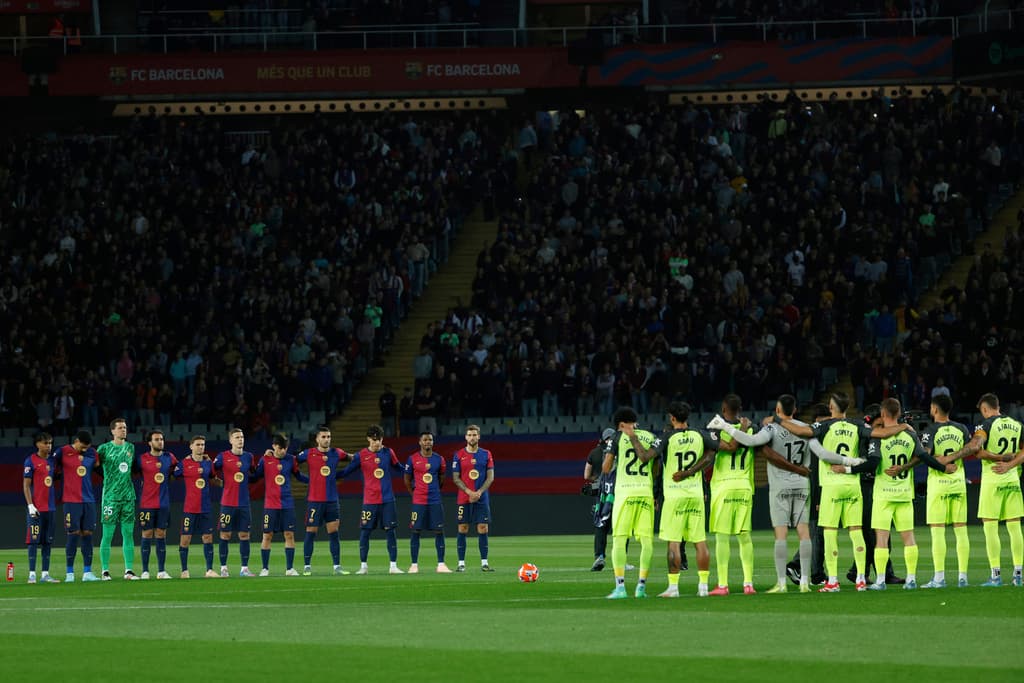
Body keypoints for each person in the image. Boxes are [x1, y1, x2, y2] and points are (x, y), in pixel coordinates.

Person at [711, 394, 861, 593]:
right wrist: (849, 461)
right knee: (804, 533)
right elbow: (823, 454)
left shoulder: (772, 428)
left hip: (780, 486)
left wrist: (726, 427)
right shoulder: (806, 429)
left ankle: (781, 583)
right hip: (801, 485)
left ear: (778, 411)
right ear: (795, 410)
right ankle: (805, 583)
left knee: (781, 535)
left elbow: (751, 440)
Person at [779, 392, 911, 592]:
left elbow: (801, 431)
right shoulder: (858, 425)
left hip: (832, 486)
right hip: (853, 486)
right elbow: (881, 434)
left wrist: (779, 420)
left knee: (830, 533)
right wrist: (903, 426)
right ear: (847, 408)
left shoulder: (824, 426)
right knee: (856, 532)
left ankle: (832, 581)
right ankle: (860, 579)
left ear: (831, 408)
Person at [938, 392, 1024, 587]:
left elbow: (976, 448)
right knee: (1014, 527)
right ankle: (1018, 575)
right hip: (1012, 480)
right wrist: (1009, 464)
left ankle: (996, 575)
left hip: (993, 481)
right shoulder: (1017, 424)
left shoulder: (985, 425)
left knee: (990, 527)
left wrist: (997, 458)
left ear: (985, 409)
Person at [866, 398, 951, 591]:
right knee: (909, 538)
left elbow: (873, 463)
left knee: (881, 538)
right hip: (904, 494)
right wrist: (943, 468)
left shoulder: (879, 437)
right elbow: (924, 457)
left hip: (883, 495)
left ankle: (880, 580)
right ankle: (911, 578)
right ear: (898, 414)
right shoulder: (910, 435)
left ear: (883, 414)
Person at [656, 402, 719, 597]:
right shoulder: (700, 434)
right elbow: (713, 452)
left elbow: (652, 457)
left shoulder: (667, 437)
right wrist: (692, 471)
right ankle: (703, 588)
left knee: (673, 542)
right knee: (700, 541)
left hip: (674, 495)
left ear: (672, 418)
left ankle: (673, 588)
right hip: (696, 494)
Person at [602, 407, 660, 599]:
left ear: (620, 425)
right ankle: (641, 588)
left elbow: (606, 467)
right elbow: (656, 468)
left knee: (619, 540)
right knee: (646, 541)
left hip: (625, 493)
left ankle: (620, 588)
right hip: (645, 492)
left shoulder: (617, 438)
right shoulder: (651, 436)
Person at [918, 395, 973, 588]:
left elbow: (925, 455)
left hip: (938, 485)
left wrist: (941, 461)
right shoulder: (962, 428)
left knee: (938, 532)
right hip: (958, 483)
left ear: (934, 409)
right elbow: (969, 449)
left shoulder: (930, 430)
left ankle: (939, 578)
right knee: (961, 530)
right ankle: (963, 577)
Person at [339, 424, 405, 574]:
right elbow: (346, 471)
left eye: (379, 439)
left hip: (388, 500)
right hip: (369, 501)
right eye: (374, 439)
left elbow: (400, 468)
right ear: (368, 439)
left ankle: (393, 566)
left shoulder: (389, 452)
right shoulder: (361, 455)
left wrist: (414, 472)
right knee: (365, 532)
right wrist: (330, 476)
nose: (377, 442)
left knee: (390, 532)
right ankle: (363, 566)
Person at [298, 425, 350, 575]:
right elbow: (292, 463)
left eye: (328, 437)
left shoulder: (337, 453)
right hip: (315, 500)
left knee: (334, 533)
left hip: (332, 500)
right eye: (323, 437)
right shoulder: (309, 454)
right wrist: (306, 479)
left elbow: (354, 459)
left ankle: (337, 567)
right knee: (311, 532)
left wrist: (341, 474)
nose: (326, 440)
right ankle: (307, 566)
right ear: (317, 439)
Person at [255, 433, 306, 576]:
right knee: (267, 535)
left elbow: (299, 476)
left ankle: (289, 569)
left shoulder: (291, 460)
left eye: (285, 448)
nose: (283, 451)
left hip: (287, 504)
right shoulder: (265, 460)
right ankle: (265, 569)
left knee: (289, 535)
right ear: (273, 446)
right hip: (270, 505)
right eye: (280, 448)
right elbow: (255, 476)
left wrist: (313, 481)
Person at [96, 417, 139, 580]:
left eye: (125, 427)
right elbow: (95, 466)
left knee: (128, 534)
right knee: (107, 535)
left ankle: (128, 571)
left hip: (128, 496)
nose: (123, 430)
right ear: (112, 431)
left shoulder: (131, 448)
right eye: (120, 428)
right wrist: (108, 479)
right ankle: (105, 571)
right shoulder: (104, 448)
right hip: (110, 498)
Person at [404, 431, 452, 573]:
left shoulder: (439, 459)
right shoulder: (412, 459)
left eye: (430, 440)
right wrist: (414, 494)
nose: (428, 442)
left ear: (433, 442)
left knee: (439, 530)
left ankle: (441, 564)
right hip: (419, 501)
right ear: (420, 442)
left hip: (435, 500)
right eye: (425, 440)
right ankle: (414, 565)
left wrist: (436, 490)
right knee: (415, 531)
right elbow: (407, 479)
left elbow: (442, 477)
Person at [56, 430, 100, 582]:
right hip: (70, 500)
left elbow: (98, 466)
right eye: (82, 446)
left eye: (87, 447)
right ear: (76, 441)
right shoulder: (62, 452)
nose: (84, 450)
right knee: (73, 534)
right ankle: (70, 573)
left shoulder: (92, 453)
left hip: (88, 500)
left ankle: (87, 572)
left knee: (88, 533)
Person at [174, 435, 220, 578]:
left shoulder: (208, 463)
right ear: (191, 446)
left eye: (203, 445)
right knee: (185, 539)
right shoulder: (184, 464)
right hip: (190, 508)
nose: (201, 447)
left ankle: (209, 570)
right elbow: (172, 475)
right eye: (198, 444)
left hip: (205, 507)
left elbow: (214, 479)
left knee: (208, 538)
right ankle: (184, 571)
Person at [452, 424, 495, 572]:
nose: (472, 437)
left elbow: (490, 477)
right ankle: (461, 563)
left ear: (479, 436)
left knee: (483, 528)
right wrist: (469, 492)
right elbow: (455, 478)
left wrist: (479, 492)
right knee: (463, 528)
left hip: (481, 498)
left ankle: (484, 563)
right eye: (469, 435)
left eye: (474, 435)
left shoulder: (486, 454)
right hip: (464, 498)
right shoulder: (458, 455)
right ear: (465, 437)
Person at [214, 427, 256, 577]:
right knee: (225, 536)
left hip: (244, 503)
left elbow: (255, 473)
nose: (240, 440)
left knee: (244, 536)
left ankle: (244, 568)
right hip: (228, 503)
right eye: (237, 437)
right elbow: (211, 470)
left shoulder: (249, 457)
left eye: (242, 437)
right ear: (231, 440)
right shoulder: (222, 457)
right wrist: (218, 481)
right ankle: (224, 568)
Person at [137, 429, 178, 580]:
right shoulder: (142, 459)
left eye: (161, 439)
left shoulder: (170, 457)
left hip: (163, 503)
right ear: (149, 443)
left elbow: (177, 472)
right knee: (146, 534)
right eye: (156, 439)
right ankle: (145, 571)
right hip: (146, 503)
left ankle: (161, 571)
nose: (160, 441)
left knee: (161, 534)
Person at [24, 432, 59, 583]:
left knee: (47, 542)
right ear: (38, 444)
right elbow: (26, 485)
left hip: (50, 509)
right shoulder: (30, 460)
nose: (49, 446)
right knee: (33, 541)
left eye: (50, 443)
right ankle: (32, 574)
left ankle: (45, 574)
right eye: (46, 443)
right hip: (36, 510)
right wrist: (30, 505)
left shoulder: (53, 461)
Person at [584, 428, 616, 571]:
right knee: (620, 529)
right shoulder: (618, 450)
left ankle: (599, 556)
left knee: (600, 526)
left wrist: (596, 480)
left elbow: (586, 475)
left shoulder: (594, 453)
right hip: (618, 492)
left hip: (602, 495)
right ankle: (622, 560)